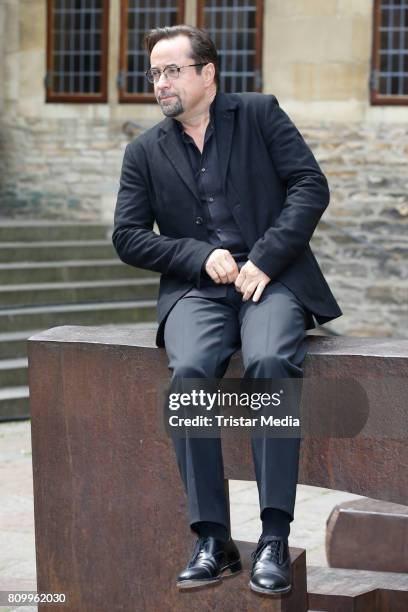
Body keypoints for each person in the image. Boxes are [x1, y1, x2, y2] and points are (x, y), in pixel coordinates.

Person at [112, 25, 342, 596]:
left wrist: (263, 258)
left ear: (207, 74)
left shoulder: (260, 114)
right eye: (154, 72)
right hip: (198, 288)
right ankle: (214, 539)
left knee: (267, 361)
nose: (159, 82)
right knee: (189, 374)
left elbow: (310, 186)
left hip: (274, 277)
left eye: (172, 70)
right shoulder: (144, 150)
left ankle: (272, 538)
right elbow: (128, 236)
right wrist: (197, 254)